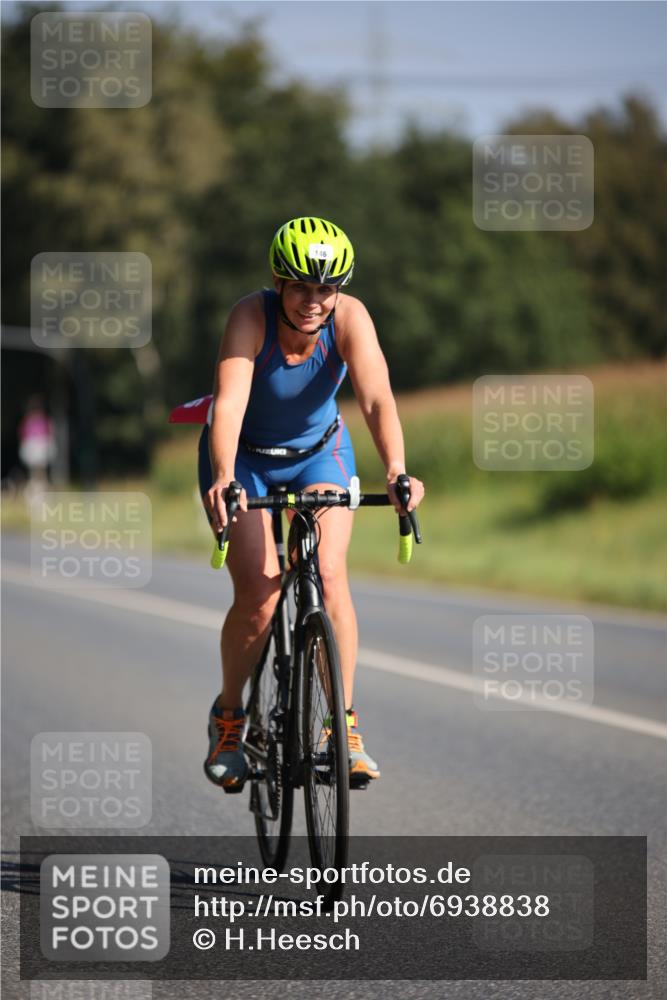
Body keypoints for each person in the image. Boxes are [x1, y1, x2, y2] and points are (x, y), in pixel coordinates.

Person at [199, 216, 424, 792]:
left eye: (326, 289)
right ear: (278, 282)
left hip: (319, 454)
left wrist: (397, 469)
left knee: (327, 571)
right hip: (244, 458)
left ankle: (342, 728)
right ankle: (229, 720)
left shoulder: (349, 318)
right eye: (301, 286)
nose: (313, 301)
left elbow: (375, 398)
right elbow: (227, 406)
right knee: (260, 596)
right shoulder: (250, 317)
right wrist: (225, 476)